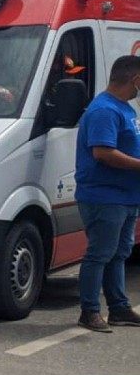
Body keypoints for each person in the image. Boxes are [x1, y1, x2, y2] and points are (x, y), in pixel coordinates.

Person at [74, 54, 140, 332]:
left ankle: (119, 308)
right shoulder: (105, 110)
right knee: (100, 254)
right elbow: (103, 152)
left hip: (126, 197)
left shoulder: (126, 109)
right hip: (104, 197)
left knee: (119, 253)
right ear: (136, 79)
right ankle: (89, 312)